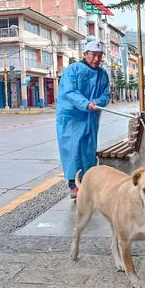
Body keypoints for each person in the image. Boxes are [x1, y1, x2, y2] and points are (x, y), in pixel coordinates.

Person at [55, 40, 111, 199]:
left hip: (90, 116)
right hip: (72, 117)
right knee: (73, 149)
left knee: (88, 149)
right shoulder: (72, 70)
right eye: (93, 55)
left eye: (99, 56)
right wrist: (85, 103)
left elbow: (106, 95)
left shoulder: (102, 74)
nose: (96, 59)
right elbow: (69, 92)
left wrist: (97, 103)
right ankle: (73, 184)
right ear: (85, 54)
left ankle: (87, 182)